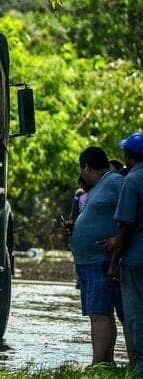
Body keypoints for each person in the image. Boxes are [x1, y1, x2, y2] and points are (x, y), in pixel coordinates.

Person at [68, 147, 130, 365]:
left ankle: (97, 366)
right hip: (92, 262)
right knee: (102, 314)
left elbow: (133, 211)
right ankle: (107, 363)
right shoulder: (98, 187)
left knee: (99, 315)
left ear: (87, 167)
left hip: (101, 261)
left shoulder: (115, 182)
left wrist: (116, 239)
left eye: (82, 168)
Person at [109, 132, 143, 375]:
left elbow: (125, 226)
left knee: (136, 313)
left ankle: (140, 366)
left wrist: (113, 262)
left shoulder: (132, 181)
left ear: (129, 156)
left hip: (136, 260)